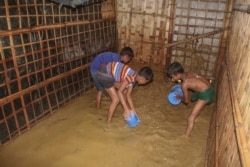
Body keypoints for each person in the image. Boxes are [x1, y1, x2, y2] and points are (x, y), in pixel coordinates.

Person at [166, 62, 215, 138]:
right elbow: (199, 76)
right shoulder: (188, 73)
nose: (173, 79)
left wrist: (180, 97)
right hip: (211, 89)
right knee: (195, 100)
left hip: (206, 94)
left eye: (173, 77)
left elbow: (186, 101)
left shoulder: (185, 84)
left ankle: (186, 136)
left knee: (191, 117)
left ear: (177, 74)